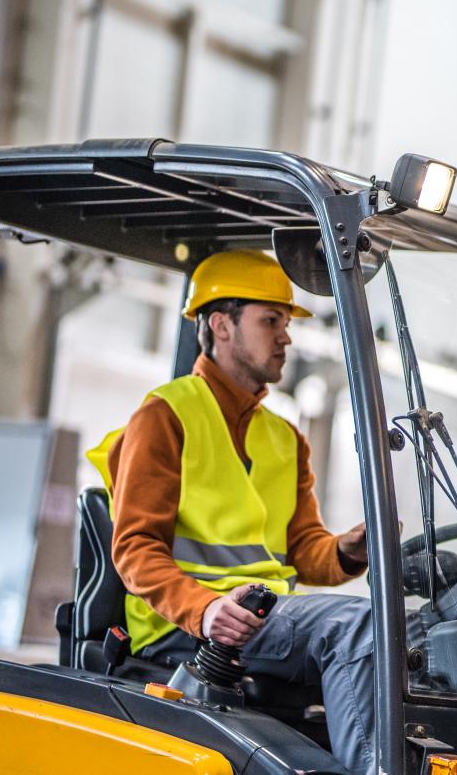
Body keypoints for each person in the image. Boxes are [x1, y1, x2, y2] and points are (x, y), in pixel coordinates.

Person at [87, 249, 377, 773]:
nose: (286, 337)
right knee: (354, 625)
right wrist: (204, 610)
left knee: (413, 635)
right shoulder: (165, 416)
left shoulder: (285, 438)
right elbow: (134, 550)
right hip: (186, 625)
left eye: (285, 323)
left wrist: (344, 551)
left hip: (263, 616)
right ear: (221, 324)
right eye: (271, 321)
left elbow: (302, 549)